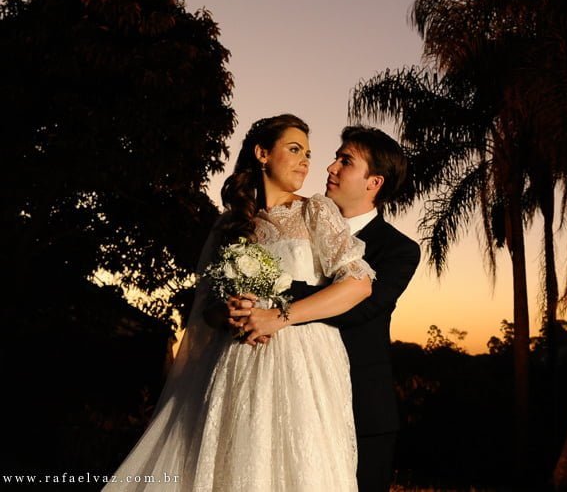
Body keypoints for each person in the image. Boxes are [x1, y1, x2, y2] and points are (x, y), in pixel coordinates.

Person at [104, 114, 374, 491]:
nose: (305, 161)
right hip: (237, 362)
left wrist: (279, 317)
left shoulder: (315, 210)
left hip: (300, 362)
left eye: (308, 154)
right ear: (262, 153)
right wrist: (228, 312)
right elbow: (208, 309)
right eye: (294, 149)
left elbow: (359, 284)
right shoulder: (231, 225)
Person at [231, 126, 421, 492]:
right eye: (335, 158)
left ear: (374, 182)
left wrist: (271, 292)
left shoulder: (398, 250)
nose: (330, 168)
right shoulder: (296, 219)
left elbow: (360, 308)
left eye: (346, 161)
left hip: (361, 408)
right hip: (287, 396)